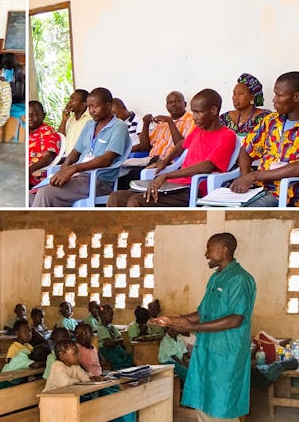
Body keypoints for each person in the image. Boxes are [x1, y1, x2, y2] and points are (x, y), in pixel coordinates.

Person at [150, 233, 256, 421]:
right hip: (207, 351)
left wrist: (197, 327)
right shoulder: (216, 278)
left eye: (209, 249)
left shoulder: (240, 279)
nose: (206, 254)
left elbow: (235, 319)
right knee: (204, 404)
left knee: (221, 407)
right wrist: (172, 320)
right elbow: (202, 313)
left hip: (226, 355)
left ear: (224, 249)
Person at [107, 89, 236, 207]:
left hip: (194, 188)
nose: (194, 116)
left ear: (213, 110)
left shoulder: (227, 136)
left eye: (198, 112)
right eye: (193, 112)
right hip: (176, 185)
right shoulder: (199, 130)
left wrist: (167, 175)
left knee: (137, 201)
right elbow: (181, 145)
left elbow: (206, 166)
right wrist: (165, 161)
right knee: (116, 197)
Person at [230, 71, 299, 207]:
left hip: (285, 193)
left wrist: (254, 176)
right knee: (216, 210)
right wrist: (246, 177)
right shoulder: (271, 120)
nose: (274, 100)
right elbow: (246, 151)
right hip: (257, 190)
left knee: (239, 213)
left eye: (279, 95)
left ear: (296, 97)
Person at [31, 87, 130, 207]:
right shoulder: (90, 125)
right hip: (79, 176)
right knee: (32, 195)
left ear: (108, 105)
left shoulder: (119, 127)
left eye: (95, 106)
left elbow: (106, 159)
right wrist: (64, 168)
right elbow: (75, 152)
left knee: (46, 193)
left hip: (98, 180)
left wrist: (74, 169)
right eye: (89, 107)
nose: (91, 111)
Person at [116, 91, 196, 189]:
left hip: (169, 162)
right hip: (150, 160)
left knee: (132, 176)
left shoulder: (192, 121)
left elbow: (181, 146)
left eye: (177, 101)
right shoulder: (162, 123)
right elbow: (145, 147)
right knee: (119, 174)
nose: (174, 104)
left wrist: (170, 122)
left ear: (185, 104)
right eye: (170, 102)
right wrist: (145, 124)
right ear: (166, 105)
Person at [28, 100, 61, 188]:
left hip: (35, 176)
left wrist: (29, 170)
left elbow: (48, 157)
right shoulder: (28, 131)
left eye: (34, 115)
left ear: (43, 115)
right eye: (28, 115)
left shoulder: (47, 132)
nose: (30, 118)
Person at [96, 304, 132, 370]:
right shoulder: (100, 328)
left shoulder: (112, 327)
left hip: (115, 348)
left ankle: (127, 371)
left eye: (112, 315)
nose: (112, 317)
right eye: (110, 315)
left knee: (129, 356)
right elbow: (108, 343)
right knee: (117, 360)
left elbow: (120, 338)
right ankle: (119, 372)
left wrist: (117, 342)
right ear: (102, 316)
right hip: (105, 350)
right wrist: (118, 341)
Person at [58, 89, 91, 155]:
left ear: (84, 104)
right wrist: (64, 121)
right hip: (67, 159)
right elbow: (61, 139)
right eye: (70, 99)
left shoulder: (90, 120)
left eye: (73, 99)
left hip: (82, 159)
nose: (69, 102)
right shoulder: (69, 120)